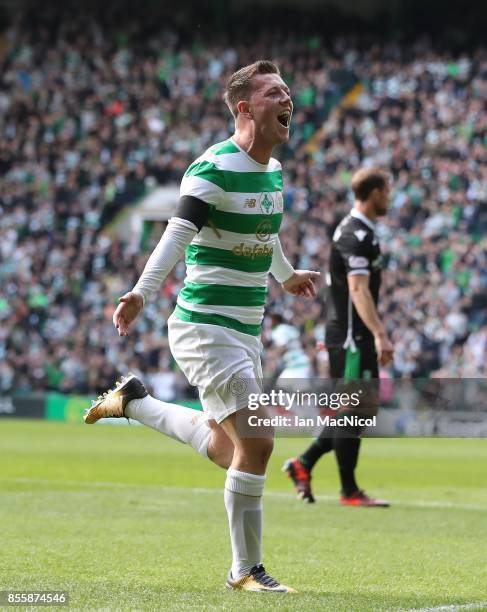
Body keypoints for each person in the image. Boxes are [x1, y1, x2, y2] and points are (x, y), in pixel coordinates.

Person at [84, 60, 320, 592]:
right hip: (205, 325)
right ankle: (245, 570)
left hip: (243, 329)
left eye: (288, 92)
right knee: (258, 442)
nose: (289, 101)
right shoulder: (211, 169)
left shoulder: (273, 171)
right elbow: (176, 234)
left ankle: (135, 401)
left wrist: (284, 276)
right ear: (244, 108)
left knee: (228, 447)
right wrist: (141, 292)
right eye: (275, 93)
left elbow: (265, 231)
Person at [283, 167, 393, 506]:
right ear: (374, 192)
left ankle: (304, 463)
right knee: (354, 409)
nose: (389, 198)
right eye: (387, 191)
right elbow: (359, 290)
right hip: (350, 337)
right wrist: (379, 334)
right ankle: (348, 490)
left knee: (362, 409)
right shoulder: (355, 235)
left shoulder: (361, 232)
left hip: (351, 334)